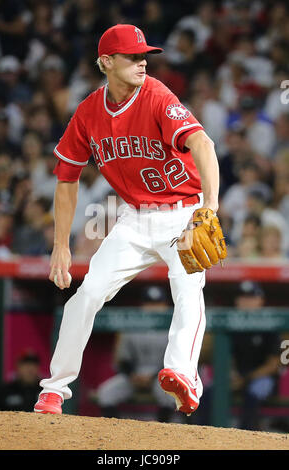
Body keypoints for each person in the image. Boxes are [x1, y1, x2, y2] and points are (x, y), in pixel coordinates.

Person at [34, 24, 221, 416]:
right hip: (135, 219)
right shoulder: (88, 113)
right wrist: (61, 246)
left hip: (185, 210)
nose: (142, 63)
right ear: (106, 62)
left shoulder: (156, 95)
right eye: (133, 56)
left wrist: (210, 208)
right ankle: (54, 389)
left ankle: (183, 373)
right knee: (86, 295)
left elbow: (202, 142)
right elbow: (66, 179)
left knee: (188, 290)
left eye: (144, 56)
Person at [96, 284, 175, 422]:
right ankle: (115, 432)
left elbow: (175, 360)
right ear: (142, 305)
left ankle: (162, 435)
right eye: (149, 303)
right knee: (106, 393)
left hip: (162, 376)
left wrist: (151, 377)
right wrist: (132, 374)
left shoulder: (173, 327)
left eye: (158, 303)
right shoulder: (132, 326)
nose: (153, 308)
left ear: (165, 305)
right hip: (135, 375)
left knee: (170, 397)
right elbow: (123, 359)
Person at [231, 281, 280, 430]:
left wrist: (245, 379)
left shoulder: (271, 323)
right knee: (209, 393)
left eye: (251, 297)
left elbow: (274, 365)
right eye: (243, 297)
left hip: (262, 378)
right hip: (238, 377)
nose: (246, 302)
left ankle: (246, 437)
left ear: (260, 300)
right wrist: (231, 374)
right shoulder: (231, 323)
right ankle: (201, 437)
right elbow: (227, 358)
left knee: (253, 393)